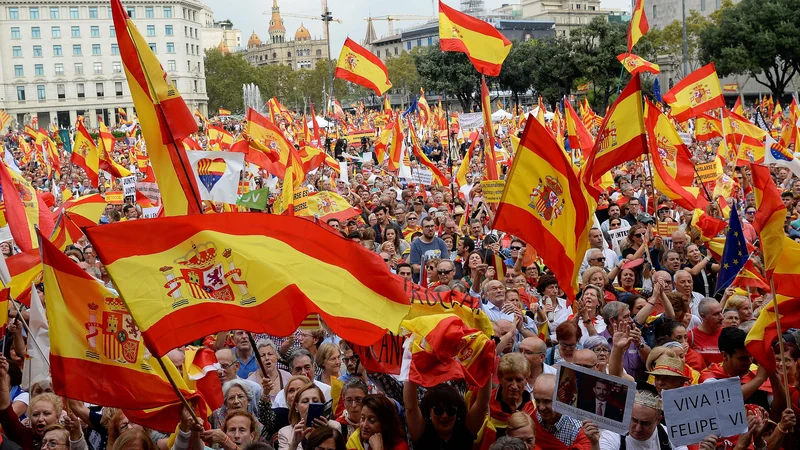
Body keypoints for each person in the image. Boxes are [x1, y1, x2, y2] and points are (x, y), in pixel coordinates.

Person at [405, 380, 489, 449]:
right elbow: (410, 408)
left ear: (458, 411)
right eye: (438, 410)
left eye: (451, 411)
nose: (445, 416)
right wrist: (409, 364)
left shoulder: (464, 429)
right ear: (429, 410)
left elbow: (482, 406)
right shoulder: (421, 430)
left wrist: (486, 368)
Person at [598, 390, 689, 450]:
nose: (638, 428)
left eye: (645, 423)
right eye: (634, 420)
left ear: (658, 420)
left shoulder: (671, 436)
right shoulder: (613, 435)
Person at [530, 374, 593, 449]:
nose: (541, 408)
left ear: (560, 399)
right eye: (537, 401)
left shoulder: (576, 429)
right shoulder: (532, 417)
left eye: (546, 401)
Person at [279, 383, 341, 450]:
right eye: (305, 401)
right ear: (296, 407)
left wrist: (326, 431)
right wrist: (294, 443)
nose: (310, 404)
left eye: (315, 401)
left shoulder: (334, 427)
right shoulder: (285, 433)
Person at [687, 298, 724, 367]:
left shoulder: (726, 334)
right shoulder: (691, 337)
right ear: (703, 316)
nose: (721, 317)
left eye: (721, 312)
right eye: (716, 314)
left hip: (725, 377)